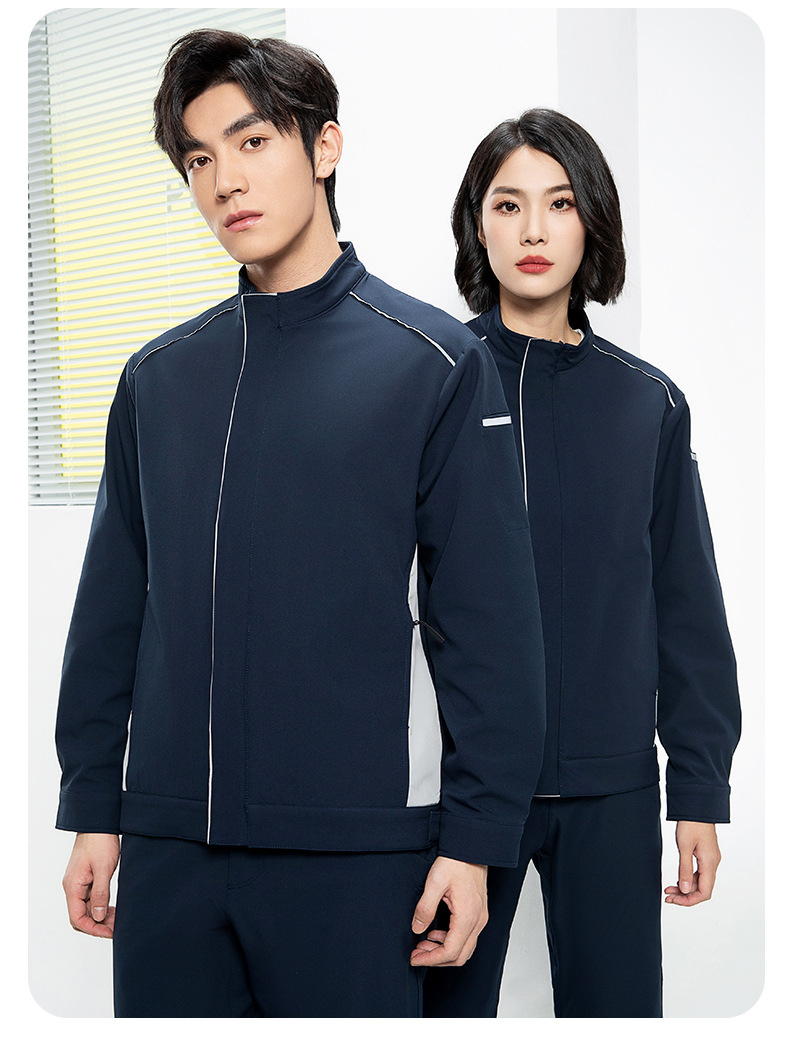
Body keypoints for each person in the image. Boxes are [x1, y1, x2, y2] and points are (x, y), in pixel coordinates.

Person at [54, 32, 546, 1018]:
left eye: (251, 142)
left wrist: (477, 841)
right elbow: (112, 612)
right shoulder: (158, 378)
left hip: (357, 854)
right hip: (173, 852)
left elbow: (490, 630)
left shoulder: (434, 365)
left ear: (324, 147)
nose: (224, 181)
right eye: (199, 159)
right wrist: (94, 807)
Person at [419, 109, 741, 1018]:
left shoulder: (648, 404)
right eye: (508, 204)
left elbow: (687, 605)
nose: (533, 229)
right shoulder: (430, 384)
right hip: (463, 788)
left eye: (559, 204)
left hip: (611, 790)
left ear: (591, 220)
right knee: (438, 1013)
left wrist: (700, 789)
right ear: (477, 225)